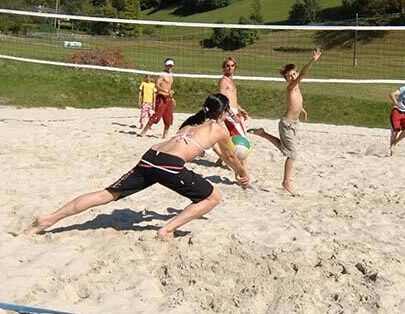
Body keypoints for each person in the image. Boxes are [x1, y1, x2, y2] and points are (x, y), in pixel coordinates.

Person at [26, 94, 250, 240]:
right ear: (222, 113)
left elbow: (212, 148)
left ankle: (48, 219)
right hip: (169, 166)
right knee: (213, 197)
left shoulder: (191, 122)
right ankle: (166, 230)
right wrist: (243, 174)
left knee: (106, 194)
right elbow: (230, 156)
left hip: (151, 156)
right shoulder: (219, 129)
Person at [249, 48, 321, 195]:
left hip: (294, 123)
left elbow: (295, 102)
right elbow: (304, 74)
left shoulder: (297, 87)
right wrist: (313, 61)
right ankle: (286, 181)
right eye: (289, 76)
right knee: (292, 154)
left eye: (294, 73)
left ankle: (263, 134)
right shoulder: (291, 87)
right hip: (287, 124)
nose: (293, 77)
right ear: (286, 79)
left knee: (285, 148)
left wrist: (302, 109)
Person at [140, 58, 176, 138]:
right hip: (161, 97)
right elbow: (157, 84)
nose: (170, 67)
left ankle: (165, 135)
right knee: (157, 116)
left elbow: (169, 87)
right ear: (165, 65)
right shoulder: (162, 74)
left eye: (171, 66)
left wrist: (171, 96)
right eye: (168, 65)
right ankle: (144, 131)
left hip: (168, 98)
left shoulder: (171, 74)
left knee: (168, 117)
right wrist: (165, 90)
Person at [217, 56, 249, 138]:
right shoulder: (223, 81)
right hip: (229, 112)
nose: (230, 68)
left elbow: (232, 100)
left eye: (232, 65)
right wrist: (232, 115)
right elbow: (223, 101)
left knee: (238, 137)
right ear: (224, 67)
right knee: (241, 138)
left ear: (235, 67)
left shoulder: (231, 81)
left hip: (234, 111)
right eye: (227, 65)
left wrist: (240, 110)